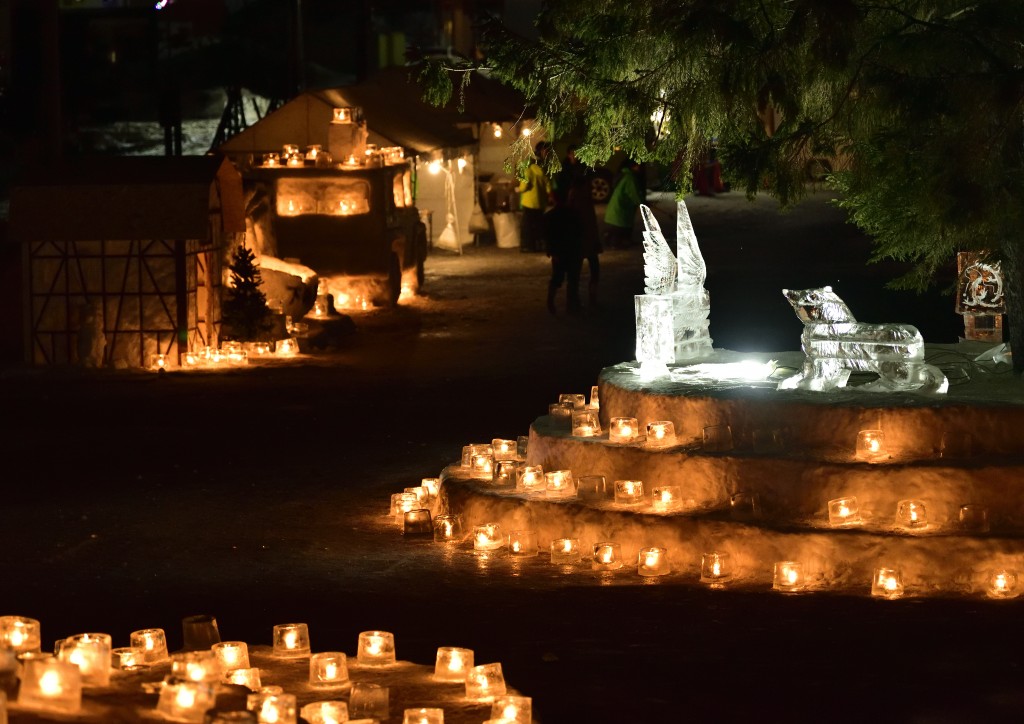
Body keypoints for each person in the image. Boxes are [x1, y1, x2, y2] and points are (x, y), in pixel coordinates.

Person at [556, 145, 602, 306]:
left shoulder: (583, 176)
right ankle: (574, 300)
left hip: (584, 229)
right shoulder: (568, 176)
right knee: (577, 267)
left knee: (590, 265)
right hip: (578, 230)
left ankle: (588, 296)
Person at [544, 184, 583, 315]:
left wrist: (551, 251)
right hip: (573, 251)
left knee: (557, 278)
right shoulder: (574, 214)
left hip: (560, 252)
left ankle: (551, 301)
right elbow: (579, 233)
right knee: (573, 279)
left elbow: (548, 236)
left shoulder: (550, 216)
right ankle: (572, 305)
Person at [517, 141, 552, 252]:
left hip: (529, 202)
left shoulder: (529, 167)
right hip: (541, 202)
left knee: (527, 226)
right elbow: (548, 186)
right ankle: (540, 244)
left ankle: (528, 247)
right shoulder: (544, 168)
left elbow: (524, 186)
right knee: (539, 225)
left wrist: (518, 189)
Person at [603, 158, 643, 248]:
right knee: (620, 229)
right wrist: (641, 202)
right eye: (638, 165)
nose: (640, 167)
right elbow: (633, 193)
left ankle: (612, 240)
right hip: (620, 211)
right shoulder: (629, 178)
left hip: (615, 210)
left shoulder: (623, 174)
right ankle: (616, 243)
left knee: (616, 229)